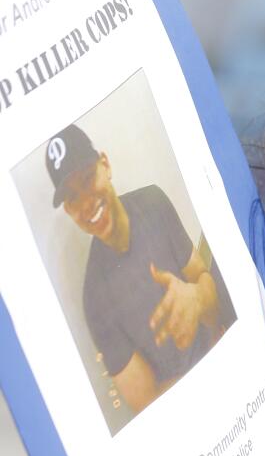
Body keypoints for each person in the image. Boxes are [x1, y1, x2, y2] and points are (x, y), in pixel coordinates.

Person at [46, 124, 235, 414]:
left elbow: (202, 277)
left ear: (105, 165)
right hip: (189, 413)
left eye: (87, 178)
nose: (86, 203)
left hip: (227, 348)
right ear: (69, 211)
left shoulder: (153, 202)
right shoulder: (94, 301)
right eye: (72, 198)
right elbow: (148, 405)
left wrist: (197, 300)